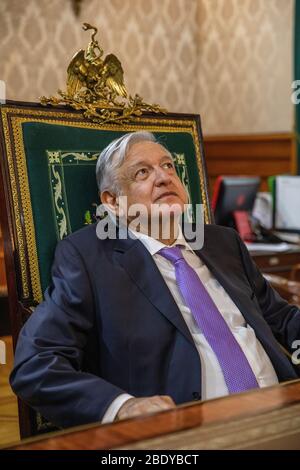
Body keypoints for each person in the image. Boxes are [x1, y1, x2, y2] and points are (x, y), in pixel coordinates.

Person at [10, 131, 300, 429]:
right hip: (189, 432)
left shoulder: (222, 242)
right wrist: (123, 406)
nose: (163, 177)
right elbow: (36, 364)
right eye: (142, 172)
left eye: (168, 165)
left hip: (285, 409)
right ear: (113, 201)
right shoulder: (87, 258)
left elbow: (280, 318)